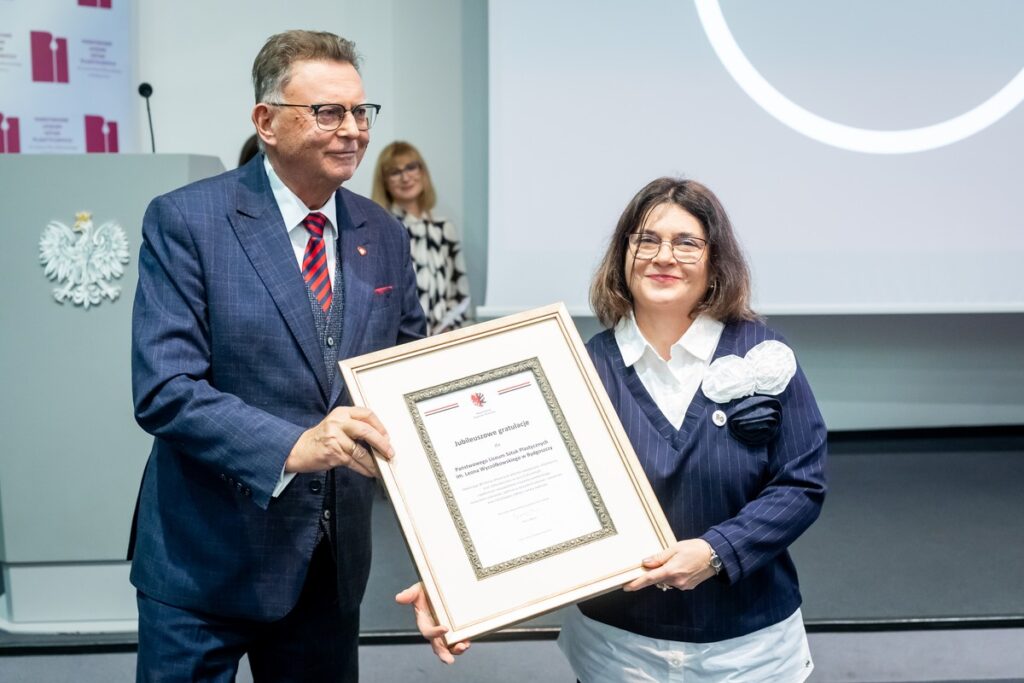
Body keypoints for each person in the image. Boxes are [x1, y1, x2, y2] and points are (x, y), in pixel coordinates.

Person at [403, 177, 828, 680]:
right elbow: (524, 490)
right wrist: (457, 584)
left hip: (750, 648)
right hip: (619, 652)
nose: (663, 256)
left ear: (716, 261)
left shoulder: (764, 356)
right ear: (623, 254)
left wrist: (717, 552)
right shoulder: (576, 367)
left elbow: (801, 483)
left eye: (686, 243)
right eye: (646, 239)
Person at [129, 30, 425, 682]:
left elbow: (409, 374)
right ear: (266, 121)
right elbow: (165, 388)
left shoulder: (384, 233)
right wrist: (294, 446)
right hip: (203, 556)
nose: (353, 130)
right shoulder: (189, 221)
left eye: (360, 111)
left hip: (328, 564)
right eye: (328, 112)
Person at [371, 141, 471, 334]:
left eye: (411, 167)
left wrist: (445, 330)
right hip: (400, 341)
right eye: (395, 172)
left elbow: (461, 294)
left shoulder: (444, 229)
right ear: (384, 181)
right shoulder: (380, 231)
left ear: (422, 172)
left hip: (445, 339)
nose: (405, 177)